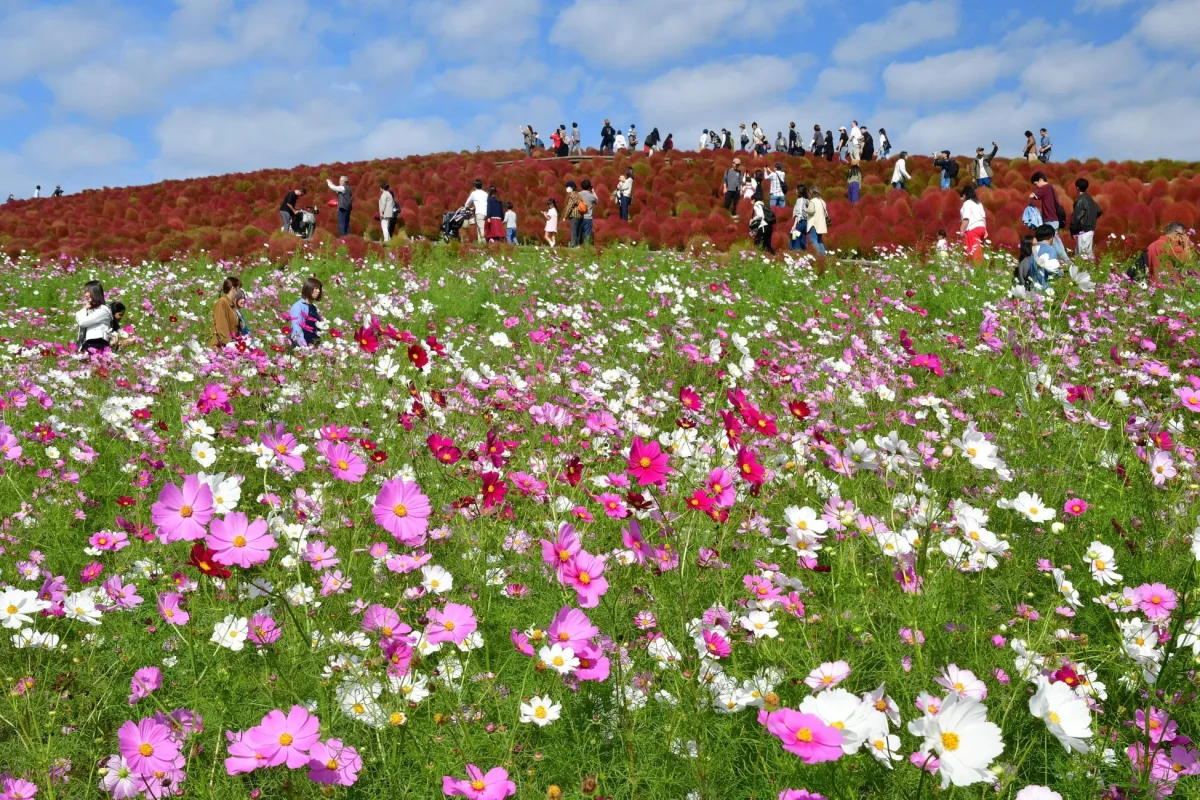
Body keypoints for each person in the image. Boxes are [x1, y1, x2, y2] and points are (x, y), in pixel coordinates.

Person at [1030, 172, 1069, 264]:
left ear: (1040, 180)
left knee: (1054, 242)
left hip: (1050, 220)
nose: (1036, 187)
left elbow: (1031, 196)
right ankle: (1062, 261)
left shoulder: (1045, 187)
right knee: (1055, 241)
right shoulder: (1051, 188)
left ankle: (1067, 262)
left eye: (1036, 184)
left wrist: (1030, 203)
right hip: (1054, 220)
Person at [75, 280, 113, 353]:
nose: (85, 295)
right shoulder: (91, 310)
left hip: (98, 344)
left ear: (95, 292)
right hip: (88, 344)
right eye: (85, 292)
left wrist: (84, 308)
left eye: (87, 291)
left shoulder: (103, 310)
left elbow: (82, 322)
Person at [1069, 178, 1103, 259]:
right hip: (1090, 230)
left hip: (1083, 231)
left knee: (1082, 256)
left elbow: (1076, 217)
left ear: (1077, 188)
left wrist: (1073, 231)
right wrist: (1091, 218)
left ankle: (1084, 271)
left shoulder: (1080, 200)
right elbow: (1099, 211)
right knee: (1087, 255)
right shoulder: (1089, 199)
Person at [289, 277, 323, 348]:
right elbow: (297, 329)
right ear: (308, 288)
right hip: (300, 347)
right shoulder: (298, 306)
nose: (318, 291)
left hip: (312, 345)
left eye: (319, 288)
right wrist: (304, 348)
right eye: (316, 288)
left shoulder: (313, 307)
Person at [209, 276, 243, 347]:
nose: (239, 291)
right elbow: (221, 325)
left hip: (231, 343)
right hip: (222, 345)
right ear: (233, 289)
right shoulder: (222, 302)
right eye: (238, 289)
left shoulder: (231, 303)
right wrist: (229, 342)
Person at [958, 185, 987, 265]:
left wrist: (961, 230)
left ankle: (977, 269)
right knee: (978, 249)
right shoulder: (978, 203)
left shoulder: (967, 203)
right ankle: (975, 267)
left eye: (962, 196)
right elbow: (983, 218)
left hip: (973, 229)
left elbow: (966, 218)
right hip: (981, 228)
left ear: (965, 195)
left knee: (973, 251)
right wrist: (985, 230)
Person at [805, 188, 829, 255]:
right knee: (819, 240)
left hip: (813, 223)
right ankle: (823, 255)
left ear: (811, 194)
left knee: (813, 240)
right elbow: (825, 213)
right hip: (821, 224)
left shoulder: (812, 201)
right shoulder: (822, 201)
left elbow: (811, 211)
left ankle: (817, 255)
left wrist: (806, 209)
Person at [466, 179, 489, 243]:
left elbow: (467, 204)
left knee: (481, 229)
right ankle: (480, 244)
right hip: (486, 213)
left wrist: (467, 208)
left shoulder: (474, 193)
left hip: (479, 213)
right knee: (479, 228)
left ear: (474, 186)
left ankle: (484, 245)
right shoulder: (485, 194)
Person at [577, 179, 598, 245]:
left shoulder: (578, 194)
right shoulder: (591, 196)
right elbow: (597, 201)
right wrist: (593, 192)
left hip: (579, 216)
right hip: (588, 218)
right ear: (589, 187)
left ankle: (578, 246)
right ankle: (586, 247)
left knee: (579, 232)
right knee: (587, 233)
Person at [790, 185, 809, 252]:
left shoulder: (799, 201)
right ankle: (803, 252)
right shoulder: (807, 200)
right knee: (802, 237)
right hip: (806, 222)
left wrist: (794, 225)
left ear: (799, 191)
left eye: (797, 190)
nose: (796, 191)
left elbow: (798, 214)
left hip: (800, 222)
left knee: (794, 236)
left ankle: (796, 252)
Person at [564, 181, 583, 247]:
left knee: (573, 230)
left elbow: (569, 206)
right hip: (580, 215)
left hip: (574, 215)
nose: (566, 188)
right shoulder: (578, 194)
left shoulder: (572, 195)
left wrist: (565, 216)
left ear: (572, 187)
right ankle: (578, 244)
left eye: (567, 187)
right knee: (578, 231)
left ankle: (574, 245)